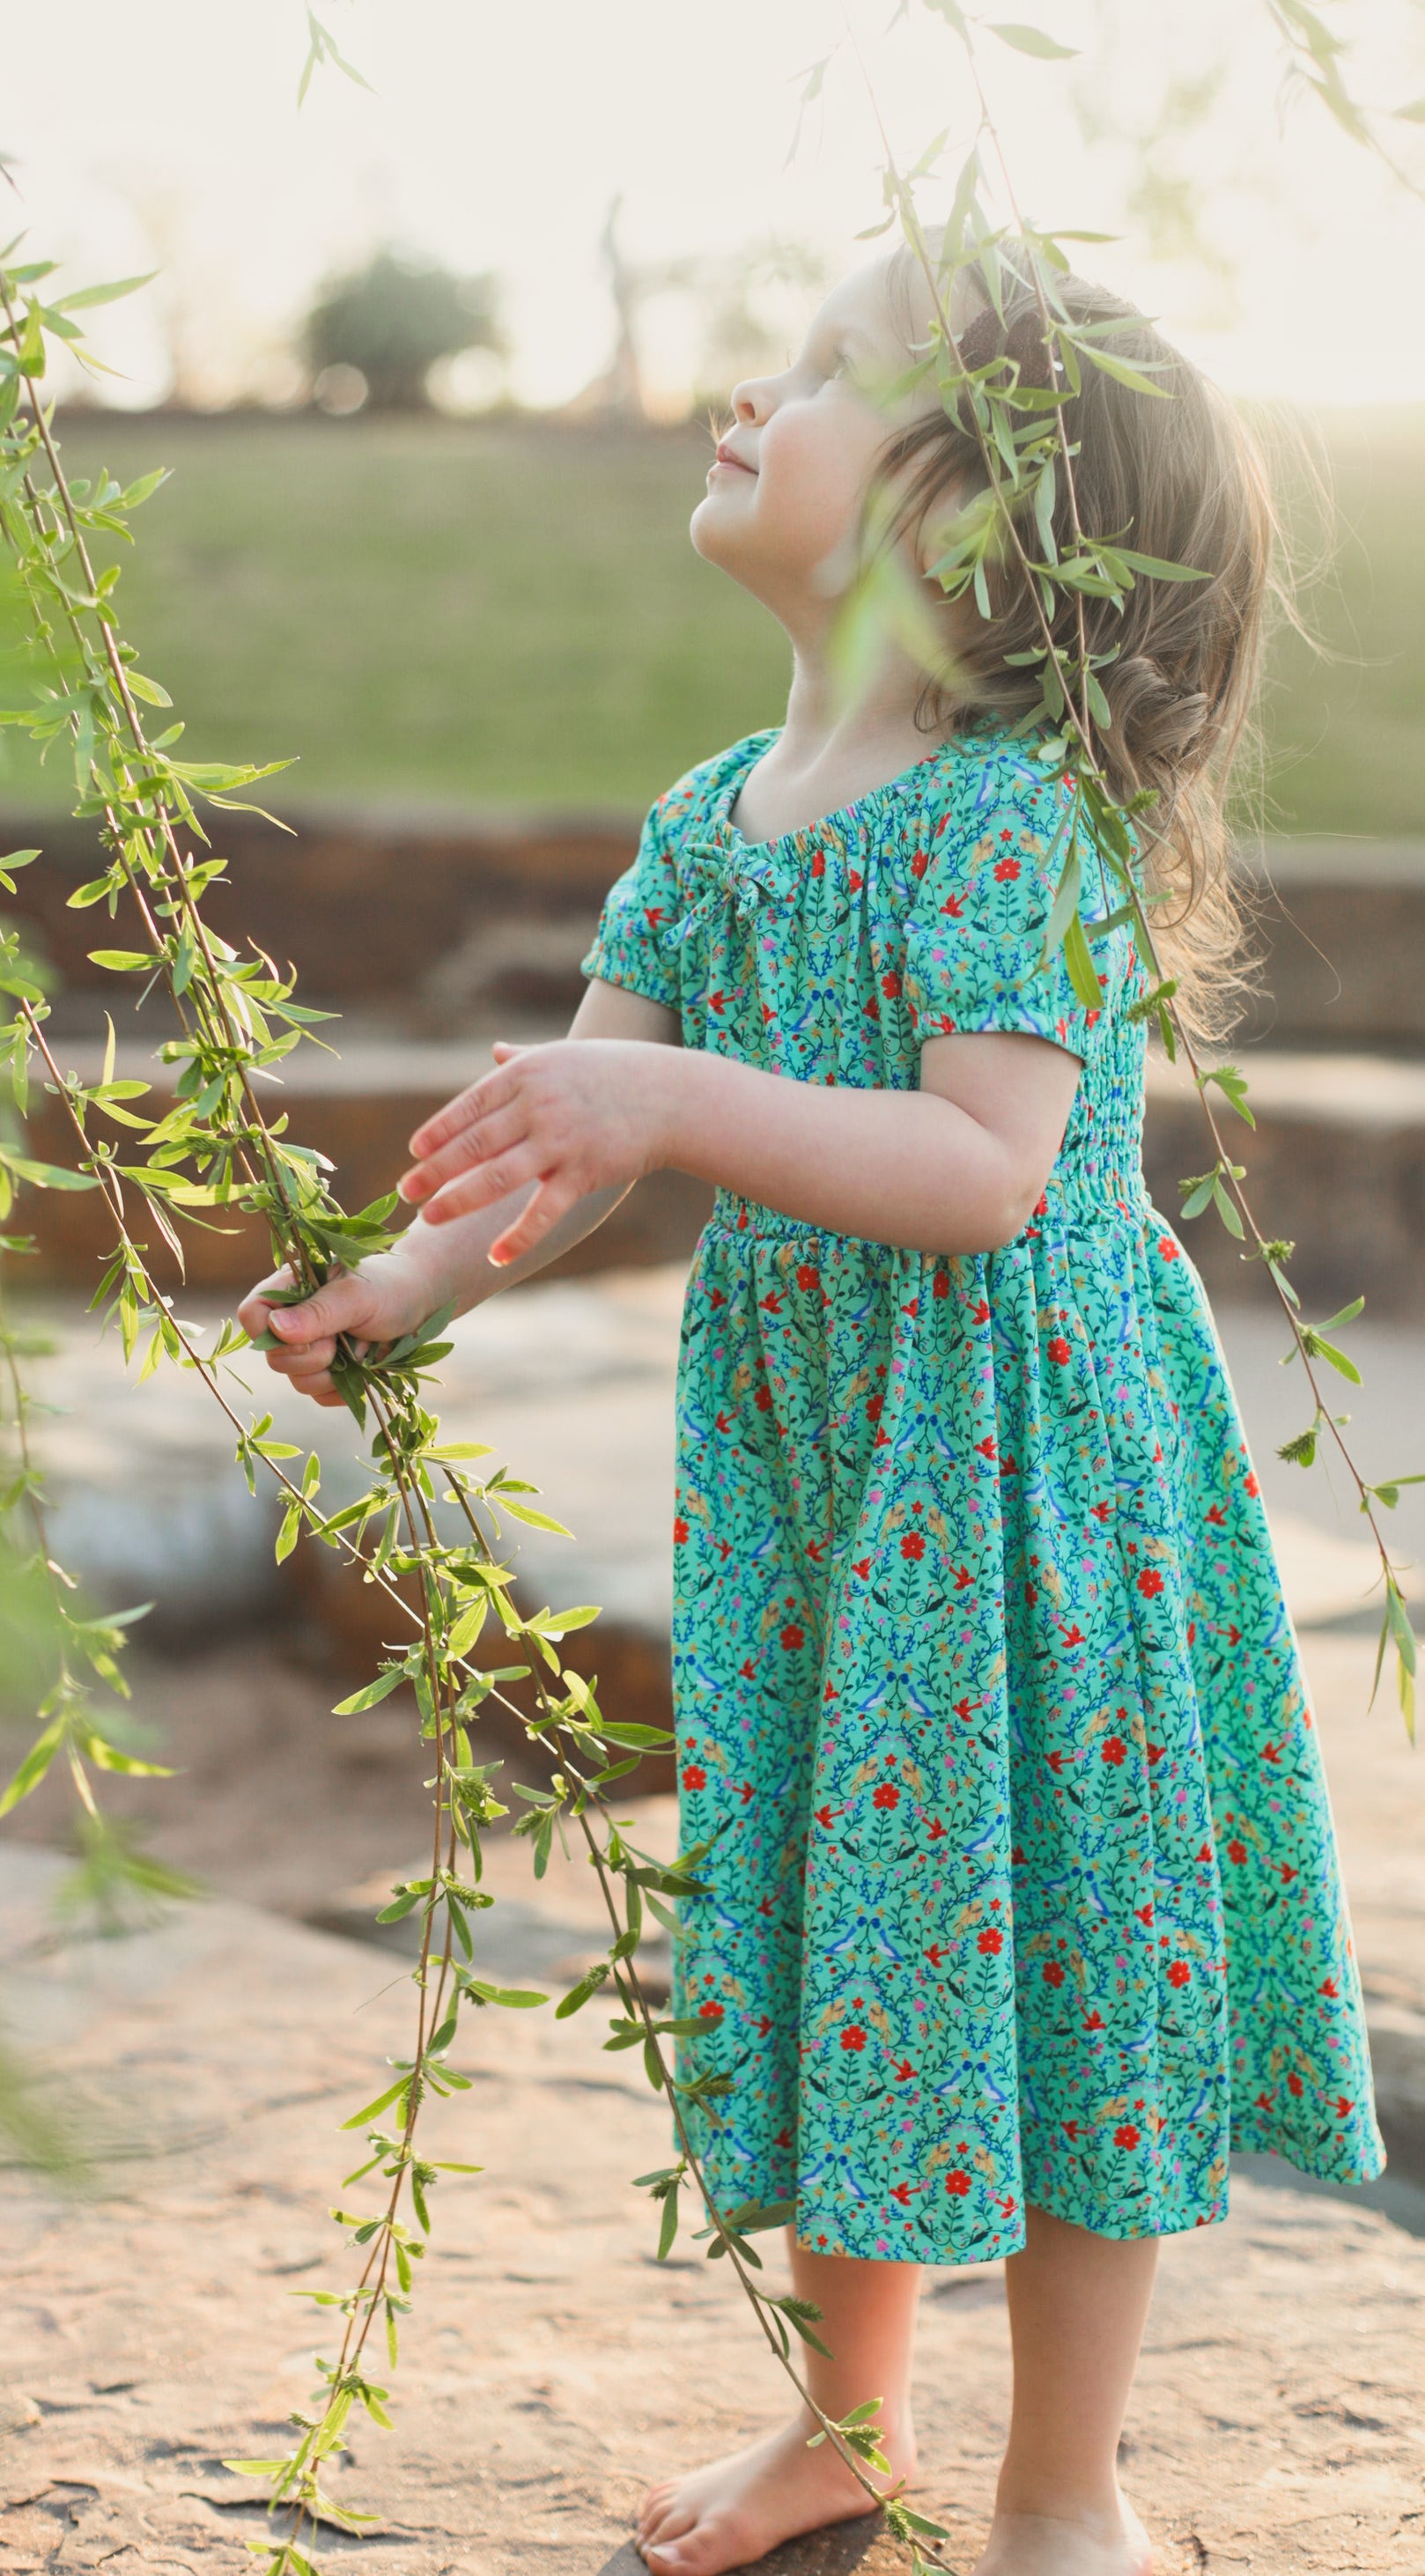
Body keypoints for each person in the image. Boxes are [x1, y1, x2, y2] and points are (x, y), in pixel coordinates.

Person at [236, 242, 1383, 2576]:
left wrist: (664, 1102)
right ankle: (837, 2427)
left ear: (969, 518)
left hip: (1022, 1469)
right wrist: (395, 1287)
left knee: (1064, 1941)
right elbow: (578, 1129)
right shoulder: (706, 816)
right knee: (849, 1923)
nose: (742, 393)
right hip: (823, 1479)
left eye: (818, 372)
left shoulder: (1007, 824)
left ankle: (1063, 2486)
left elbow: (971, 1174)